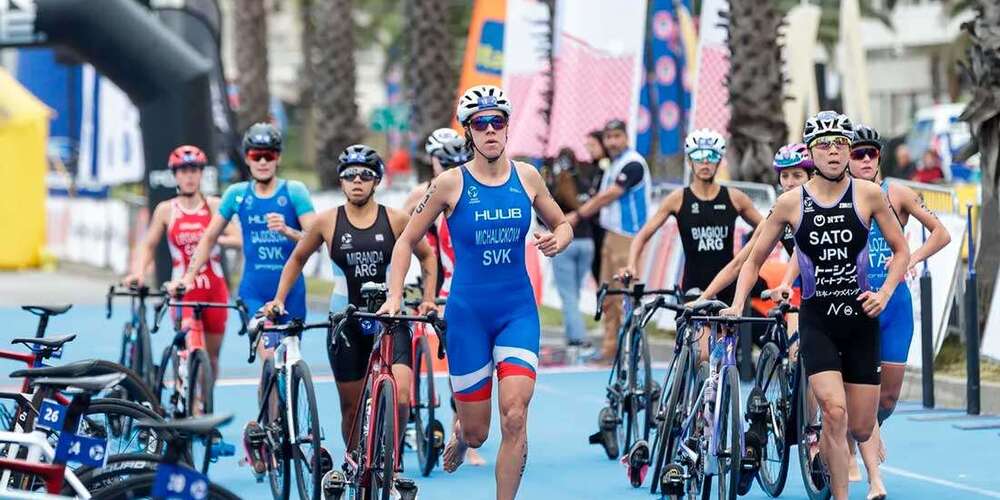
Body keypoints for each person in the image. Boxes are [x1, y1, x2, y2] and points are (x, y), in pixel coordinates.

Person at [377, 84, 572, 499]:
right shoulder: (450, 184)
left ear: (506, 128)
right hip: (467, 317)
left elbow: (563, 222)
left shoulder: (527, 176)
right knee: (479, 431)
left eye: (496, 122)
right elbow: (405, 241)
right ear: (469, 132)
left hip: (517, 311)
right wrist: (395, 295)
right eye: (479, 124)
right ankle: (462, 436)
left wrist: (562, 238)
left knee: (515, 416)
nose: (489, 130)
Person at [721, 111, 910, 500]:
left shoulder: (869, 194)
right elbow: (753, 259)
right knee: (834, 412)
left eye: (841, 144)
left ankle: (847, 454)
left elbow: (902, 249)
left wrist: (885, 293)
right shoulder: (792, 204)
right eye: (824, 145)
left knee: (860, 425)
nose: (834, 152)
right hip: (818, 319)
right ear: (812, 154)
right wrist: (737, 304)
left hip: (860, 319)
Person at [262, 144, 439, 450]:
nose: (357, 180)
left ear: (377, 181)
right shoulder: (326, 222)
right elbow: (297, 259)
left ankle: (391, 466)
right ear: (341, 181)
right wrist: (279, 298)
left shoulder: (396, 219)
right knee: (352, 410)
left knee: (400, 396)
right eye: (350, 175)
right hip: (346, 322)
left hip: (389, 319)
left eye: (365, 175)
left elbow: (427, 256)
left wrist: (428, 299)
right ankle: (357, 468)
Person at [845, 125, 951, 499]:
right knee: (862, 389)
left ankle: (869, 427)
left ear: (879, 157)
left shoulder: (897, 192)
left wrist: (911, 259)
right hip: (855, 306)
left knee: (887, 398)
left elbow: (941, 233)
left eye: (870, 153)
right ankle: (859, 442)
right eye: (857, 154)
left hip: (895, 304)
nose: (865, 160)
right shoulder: (841, 195)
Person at [619, 129, 763, 358]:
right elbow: (643, 235)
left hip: (728, 288)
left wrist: (752, 253)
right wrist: (632, 265)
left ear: (719, 161)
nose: (705, 162)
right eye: (698, 157)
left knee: (726, 359)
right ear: (690, 161)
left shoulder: (735, 198)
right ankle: (687, 388)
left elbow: (769, 228)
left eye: (712, 157)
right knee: (703, 354)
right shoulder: (678, 199)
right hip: (694, 287)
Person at [403, 127, 487, 467]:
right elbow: (402, 235)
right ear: (433, 162)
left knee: (461, 361)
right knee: (404, 340)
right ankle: (407, 413)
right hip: (425, 277)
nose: (450, 165)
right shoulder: (420, 194)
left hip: (457, 282)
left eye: (456, 159)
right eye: (443, 160)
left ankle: (464, 429)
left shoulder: (470, 188)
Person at [122, 145, 241, 375]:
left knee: (212, 358)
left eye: (194, 170)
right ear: (175, 175)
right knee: (188, 348)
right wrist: (138, 273)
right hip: (183, 291)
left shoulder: (214, 206)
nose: (189, 176)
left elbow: (237, 239)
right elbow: (148, 245)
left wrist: (214, 240)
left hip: (214, 290)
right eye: (183, 171)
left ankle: (204, 402)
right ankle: (184, 396)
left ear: (201, 174)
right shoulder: (166, 210)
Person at [567, 119, 651, 365]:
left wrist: (579, 214)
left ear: (626, 137)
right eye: (609, 137)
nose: (612, 142)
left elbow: (609, 195)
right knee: (608, 295)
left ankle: (631, 352)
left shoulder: (633, 164)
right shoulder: (614, 164)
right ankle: (610, 349)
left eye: (617, 136)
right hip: (611, 236)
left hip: (628, 238)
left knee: (627, 296)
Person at [697, 143, 813, 302]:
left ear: (811, 177)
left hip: (840, 290)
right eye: (784, 176)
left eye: (797, 175)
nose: (790, 182)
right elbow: (739, 264)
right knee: (792, 324)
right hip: (802, 292)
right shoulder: (776, 216)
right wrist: (702, 299)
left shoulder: (826, 207)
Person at [545, 147, 599, 348]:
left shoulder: (555, 187)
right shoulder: (585, 183)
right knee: (574, 293)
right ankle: (571, 333)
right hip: (587, 243)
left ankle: (578, 337)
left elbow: (544, 218)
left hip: (566, 243)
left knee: (568, 294)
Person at [583, 130, 610, 282]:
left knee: (603, 271)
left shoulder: (608, 167)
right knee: (595, 269)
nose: (590, 149)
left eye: (593, 145)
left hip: (604, 228)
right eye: (588, 146)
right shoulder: (591, 168)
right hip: (591, 228)